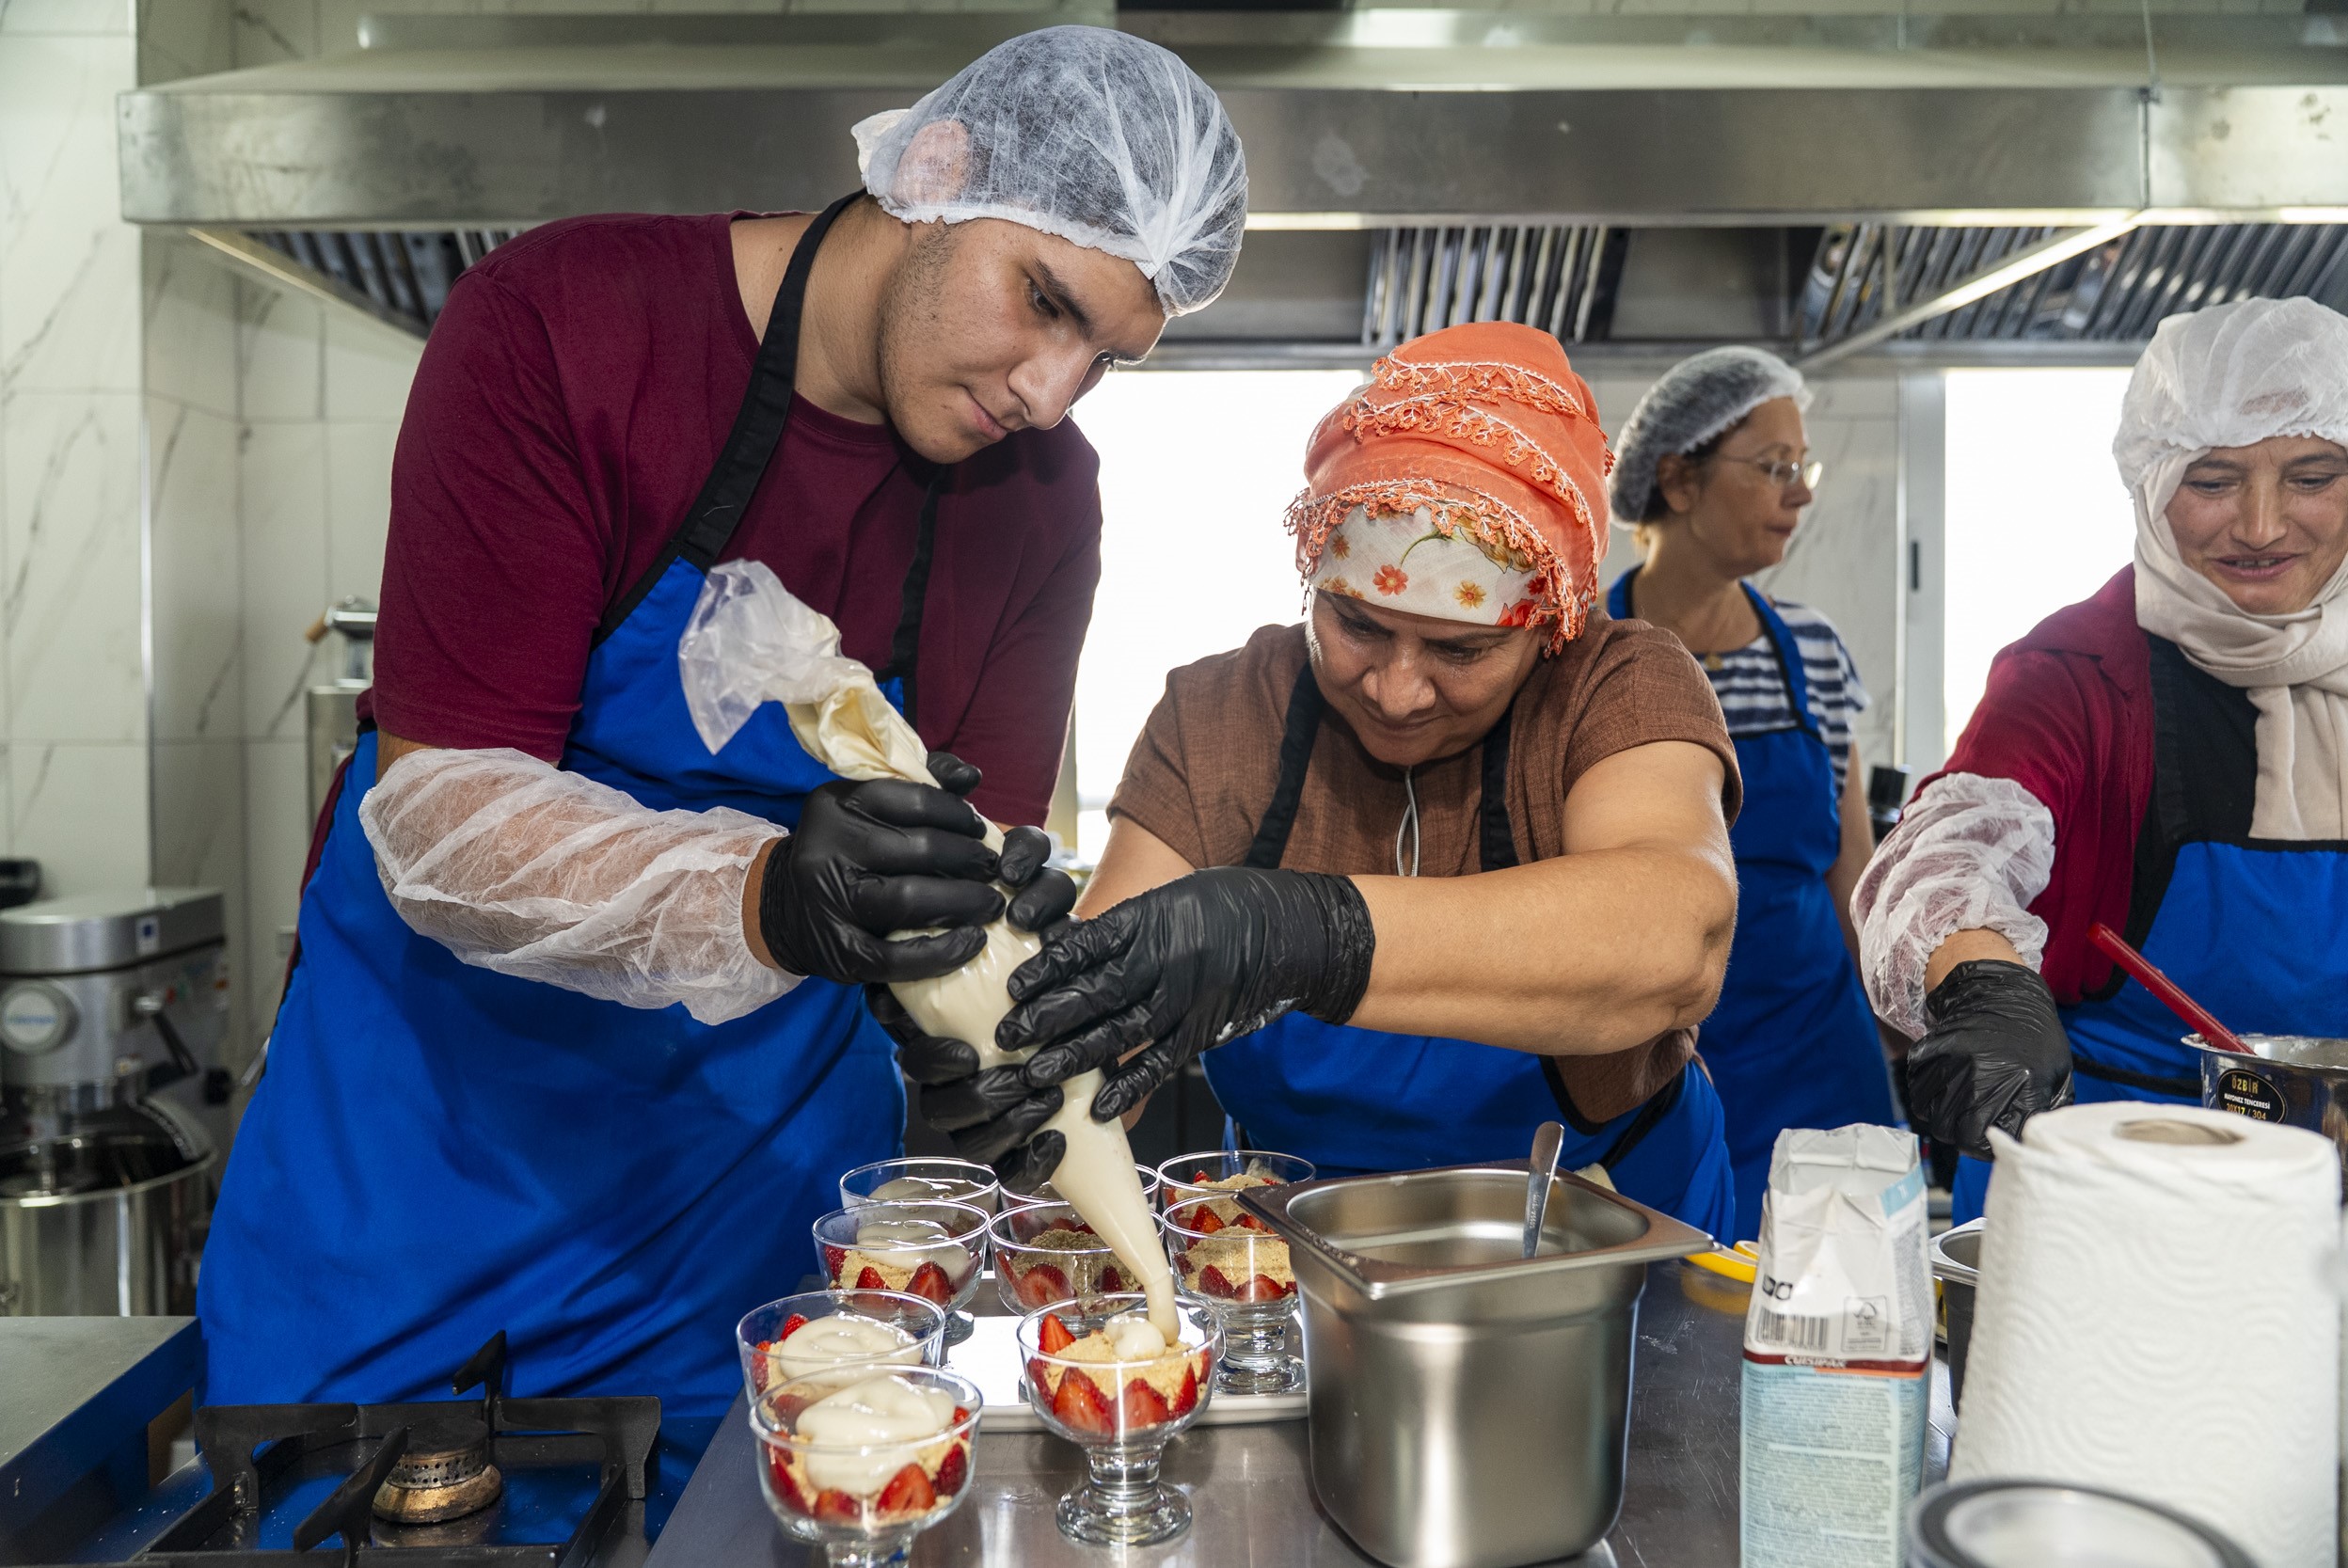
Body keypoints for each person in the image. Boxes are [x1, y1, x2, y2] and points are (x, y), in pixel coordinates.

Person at [197, 26, 1246, 1414]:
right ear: (935, 169)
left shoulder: (1043, 500)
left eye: (1106, 356)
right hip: (408, 1206)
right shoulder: (568, 327)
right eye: (1044, 300)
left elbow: (961, 868)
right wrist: (766, 894)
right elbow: (443, 820)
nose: (1049, 391)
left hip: (744, 1263)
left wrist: (982, 1036)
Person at [881, 322, 1742, 1237]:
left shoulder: (1618, 685)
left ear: (1552, 627)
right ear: (1311, 578)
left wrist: (1306, 935)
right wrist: (1013, 1056)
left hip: (1596, 1239)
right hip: (1282, 1257)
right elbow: (1101, 1027)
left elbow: (1674, 942)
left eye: (1462, 648)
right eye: (1357, 625)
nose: (1399, 690)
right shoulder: (1223, 717)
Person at [1853, 295, 2348, 1225]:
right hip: (2107, 1184)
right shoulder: (2079, 672)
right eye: (2212, 478)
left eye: (2312, 473)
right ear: (2150, 481)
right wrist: (1985, 983)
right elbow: (1945, 854)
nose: (2260, 522)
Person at [1601, 348, 1893, 1241]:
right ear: (1678, 481)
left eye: (1801, 469)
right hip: (1645, 1073)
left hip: (1821, 1059)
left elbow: (1851, 863)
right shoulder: (1586, 653)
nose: (1799, 494)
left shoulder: (1810, 650)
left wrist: (1902, 1018)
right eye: (1773, 468)